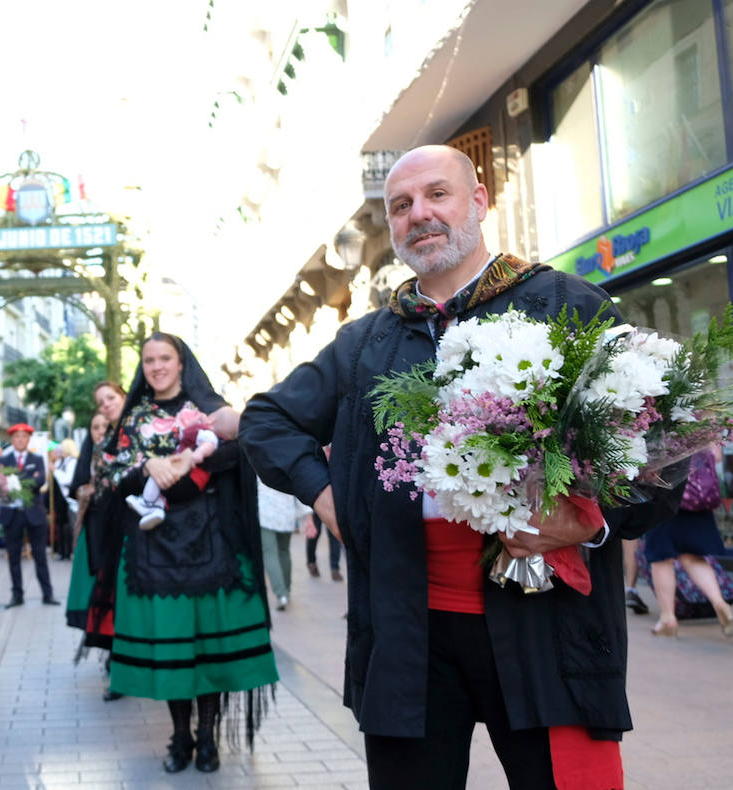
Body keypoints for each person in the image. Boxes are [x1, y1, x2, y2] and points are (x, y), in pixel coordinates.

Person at [239, 145, 685, 790]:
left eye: (437, 194)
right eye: (400, 205)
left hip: (545, 630)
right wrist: (326, 496)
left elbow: (658, 454)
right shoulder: (366, 342)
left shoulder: (567, 305)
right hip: (406, 639)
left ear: (478, 201)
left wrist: (587, 524)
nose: (419, 214)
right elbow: (265, 421)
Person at [100, 333, 277, 775]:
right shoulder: (133, 416)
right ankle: (180, 735)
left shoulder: (210, 411)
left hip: (211, 542)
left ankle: (209, 738)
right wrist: (146, 466)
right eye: (149, 360)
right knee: (174, 646)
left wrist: (189, 462)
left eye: (165, 358)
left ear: (182, 363)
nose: (157, 366)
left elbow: (239, 452)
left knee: (207, 645)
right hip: (152, 545)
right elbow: (112, 470)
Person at [64, 385, 129, 702]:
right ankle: (117, 666)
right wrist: (85, 492)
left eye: (111, 399)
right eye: (101, 404)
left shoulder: (135, 433)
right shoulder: (98, 450)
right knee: (111, 600)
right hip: (103, 532)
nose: (105, 407)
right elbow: (82, 487)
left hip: (133, 532)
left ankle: (127, 666)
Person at [645, 446, 732, 638]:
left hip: (663, 487)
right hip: (697, 492)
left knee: (661, 557)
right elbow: (716, 455)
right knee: (692, 556)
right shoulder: (706, 415)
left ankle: (668, 617)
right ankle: (720, 604)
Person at [0, 424, 58, 607]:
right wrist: (27, 479)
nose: (20, 440)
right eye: (17, 437)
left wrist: (16, 481)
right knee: (14, 557)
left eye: (24, 436)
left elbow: (39, 481)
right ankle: (17, 595)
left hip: (34, 513)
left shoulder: (37, 458)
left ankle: (47, 594)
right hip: (12, 514)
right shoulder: (4, 460)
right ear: (12, 440)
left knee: (40, 555)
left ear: (29, 439)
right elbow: (0, 483)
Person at [125, 409, 218, 529]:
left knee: (159, 474)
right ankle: (157, 509)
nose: (201, 417)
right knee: (161, 475)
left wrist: (199, 453)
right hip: (189, 477)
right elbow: (184, 433)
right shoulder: (197, 432)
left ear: (213, 420)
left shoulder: (206, 432)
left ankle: (146, 503)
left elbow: (210, 442)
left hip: (189, 476)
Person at [256, 479, 308, 610]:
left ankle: (281, 594)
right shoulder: (288, 459)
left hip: (265, 513)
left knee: (269, 553)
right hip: (286, 513)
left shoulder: (259, 459)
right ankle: (287, 590)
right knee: (284, 551)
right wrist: (307, 515)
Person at [305, 513, 343, 581]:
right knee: (314, 533)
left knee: (334, 535)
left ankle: (335, 568)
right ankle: (312, 563)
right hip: (316, 504)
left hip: (331, 506)